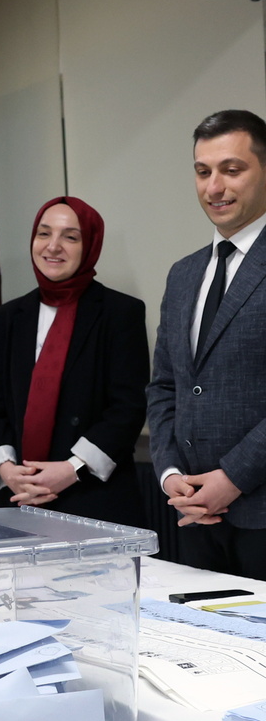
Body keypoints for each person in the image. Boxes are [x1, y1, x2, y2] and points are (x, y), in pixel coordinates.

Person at [0, 196, 149, 527]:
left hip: (95, 499)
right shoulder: (7, 317)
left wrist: (70, 469)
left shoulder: (121, 313)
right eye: (44, 234)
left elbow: (127, 409)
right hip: (17, 500)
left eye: (70, 237)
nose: (53, 246)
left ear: (90, 246)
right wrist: (7, 470)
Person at [147, 109, 266, 576]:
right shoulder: (184, 274)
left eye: (232, 170)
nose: (214, 187)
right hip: (193, 516)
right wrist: (171, 474)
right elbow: (164, 388)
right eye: (203, 172)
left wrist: (233, 477)